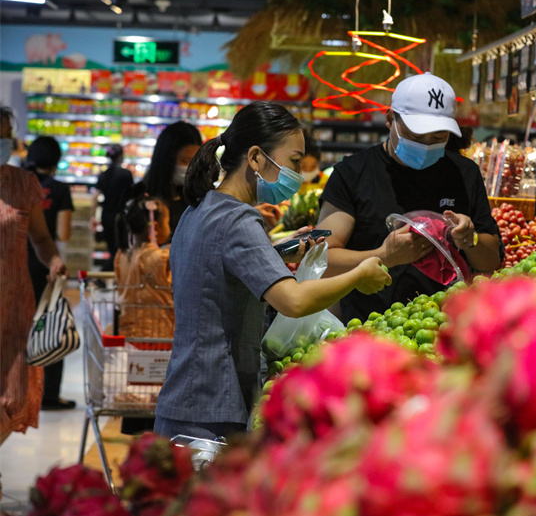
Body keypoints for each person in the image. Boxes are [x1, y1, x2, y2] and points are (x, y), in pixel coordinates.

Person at [154, 101, 390, 440]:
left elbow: (219, 266)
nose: (298, 172)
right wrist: (359, 275)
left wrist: (276, 253)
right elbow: (292, 301)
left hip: (187, 399)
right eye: (294, 161)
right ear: (255, 158)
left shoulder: (200, 208)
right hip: (211, 409)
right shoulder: (238, 219)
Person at [317, 73, 504, 323]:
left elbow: (491, 259)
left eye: (438, 138)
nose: (427, 145)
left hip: (442, 326)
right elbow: (323, 258)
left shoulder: (464, 173)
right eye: (415, 136)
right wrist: (384, 255)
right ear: (390, 119)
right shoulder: (352, 173)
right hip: (367, 326)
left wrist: (469, 239)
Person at [1, 107, 67, 447]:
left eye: (7, 135)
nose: (5, 142)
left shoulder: (23, 183)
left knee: (13, 397)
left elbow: (40, 238)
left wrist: (53, 259)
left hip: (15, 307)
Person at [24, 137, 76, 410]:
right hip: (47, 266)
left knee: (18, 328)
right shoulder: (60, 189)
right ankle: (49, 394)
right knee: (51, 326)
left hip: (15, 264)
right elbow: (62, 233)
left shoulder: (19, 184)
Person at [114, 197, 174, 339]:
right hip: (160, 335)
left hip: (128, 334)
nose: (170, 228)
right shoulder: (163, 258)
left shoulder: (121, 256)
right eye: (167, 223)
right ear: (156, 227)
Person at [139, 121, 202, 241]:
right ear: (167, 160)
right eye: (184, 161)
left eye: (194, 162)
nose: (189, 168)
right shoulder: (142, 197)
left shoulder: (198, 198)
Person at [92, 144, 134, 271]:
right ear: (121, 156)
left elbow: (96, 197)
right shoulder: (126, 174)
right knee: (121, 248)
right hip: (121, 216)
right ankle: (107, 274)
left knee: (111, 247)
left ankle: (109, 274)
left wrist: (93, 216)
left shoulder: (103, 174)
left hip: (106, 215)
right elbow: (131, 196)